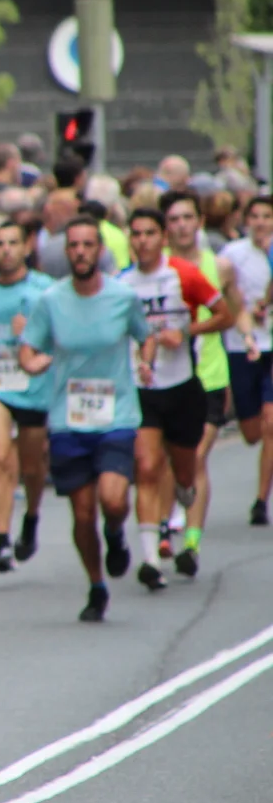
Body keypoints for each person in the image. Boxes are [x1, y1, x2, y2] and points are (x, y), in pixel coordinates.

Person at [18, 217, 157, 623]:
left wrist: (146, 362)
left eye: (87, 245)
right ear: (67, 252)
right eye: (74, 245)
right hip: (68, 418)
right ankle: (96, 585)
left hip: (116, 415)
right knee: (82, 514)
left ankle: (115, 533)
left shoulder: (122, 297)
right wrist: (32, 363)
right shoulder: (51, 300)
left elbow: (145, 335)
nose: (80, 252)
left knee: (112, 500)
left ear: (100, 250)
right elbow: (28, 348)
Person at [118, 204, 229, 591]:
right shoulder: (122, 284)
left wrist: (185, 333)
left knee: (185, 471)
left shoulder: (183, 274)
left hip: (182, 386)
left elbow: (224, 314)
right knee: (147, 466)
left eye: (150, 233)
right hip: (143, 389)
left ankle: (185, 501)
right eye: (136, 234)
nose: (142, 241)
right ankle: (150, 558)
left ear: (162, 238)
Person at [0, 220, 53, 572]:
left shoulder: (45, 289)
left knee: (32, 467)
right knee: (0, 455)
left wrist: (32, 332)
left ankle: (31, 517)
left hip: (34, 384)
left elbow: (60, 332)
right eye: (0, 243)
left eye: (13, 243)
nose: (6, 250)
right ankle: (3, 542)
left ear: (26, 247)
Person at [166, 191, 235, 574]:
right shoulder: (156, 269)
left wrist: (247, 333)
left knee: (196, 456)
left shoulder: (219, 266)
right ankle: (163, 527)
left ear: (200, 221)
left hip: (209, 373)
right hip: (166, 378)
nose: (181, 226)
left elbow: (234, 311)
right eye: (174, 219)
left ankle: (191, 544)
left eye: (187, 218)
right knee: (169, 458)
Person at [219, 195, 273, 524]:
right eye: (255, 216)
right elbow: (223, 294)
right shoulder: (233, 254)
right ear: (246, 220)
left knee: (271, 423)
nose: (261, 222)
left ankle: (261, 500)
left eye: (267, 216)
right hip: (242, 345)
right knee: (252, 432)